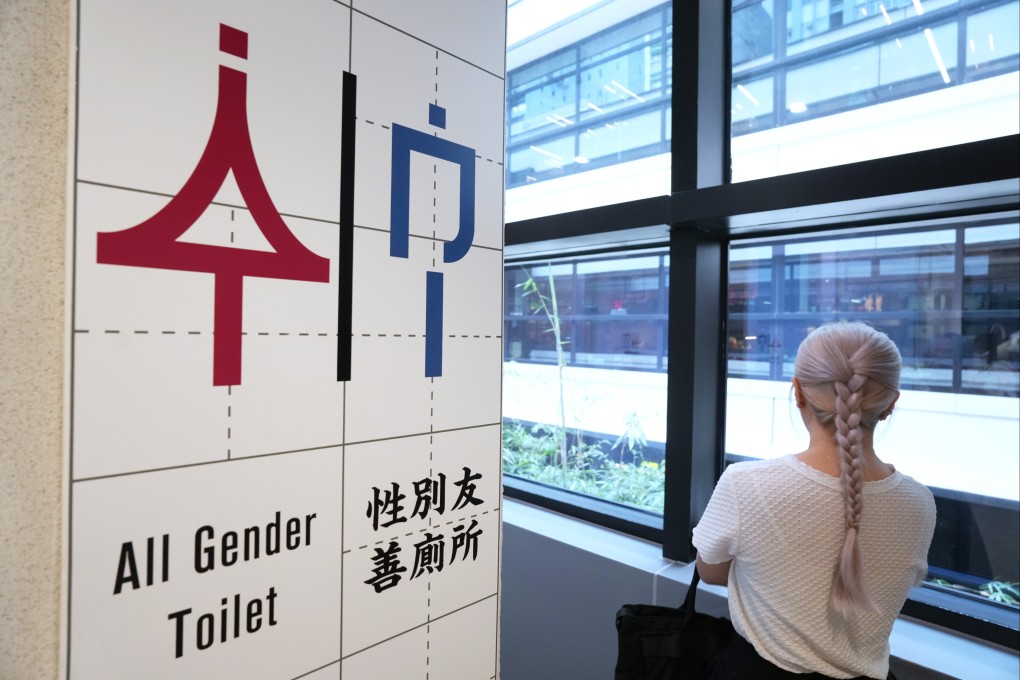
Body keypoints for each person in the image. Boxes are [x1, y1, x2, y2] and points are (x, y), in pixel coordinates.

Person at [693, 321, 936, 679]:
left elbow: (709, 572)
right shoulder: (920, 504)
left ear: (799, 393)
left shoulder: (746, 484)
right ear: (890, 404)